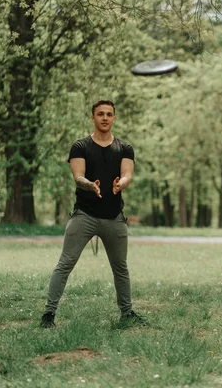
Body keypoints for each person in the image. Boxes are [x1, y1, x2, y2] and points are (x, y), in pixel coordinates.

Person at [41, 99, 146, 328]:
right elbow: (78, 175)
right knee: (65, 263)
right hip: (85, 215)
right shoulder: (80, 146)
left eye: (109, 114)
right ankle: (48, 314)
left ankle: (127, 314)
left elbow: (127, 173)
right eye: (100, 114)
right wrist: (89, 184)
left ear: (114, 118)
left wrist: (121, 184)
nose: (105, 118)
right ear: (93, 117)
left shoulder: (124, 148)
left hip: (114, 218)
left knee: (121, 267)